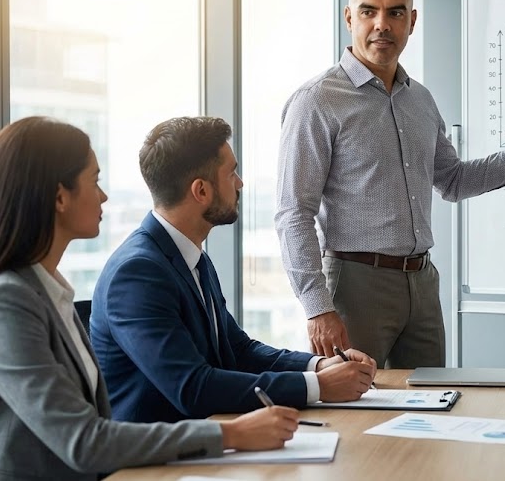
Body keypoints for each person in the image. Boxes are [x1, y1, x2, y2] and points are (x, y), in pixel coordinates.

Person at [0, 117, 298, 480]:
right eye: (94, 181)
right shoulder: (4, 302)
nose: (104, 196)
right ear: (60, 197)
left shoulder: (48, 290)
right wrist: (232, 433)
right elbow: (83, 440)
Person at [275, 0, 505, 369]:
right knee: (354, 412)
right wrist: (317, 307)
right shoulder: (317, 101)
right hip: (355, 285)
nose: (381, 25)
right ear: (349, 17)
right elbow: (291, 213)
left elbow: (454, 180)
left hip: (422, 283)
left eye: (395, 12)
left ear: (412, 21)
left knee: (430, 404)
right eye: (369, 11)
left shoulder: (419, 100)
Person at [91, 117, 376, 424]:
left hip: (210, 437)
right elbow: (192, 387)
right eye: (231, 173)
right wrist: (318, 387)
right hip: (155, 464)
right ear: (201, 191)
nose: (240, 183)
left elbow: (238, 350)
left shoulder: (189, 255)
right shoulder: (138, 273)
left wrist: (318, 366)